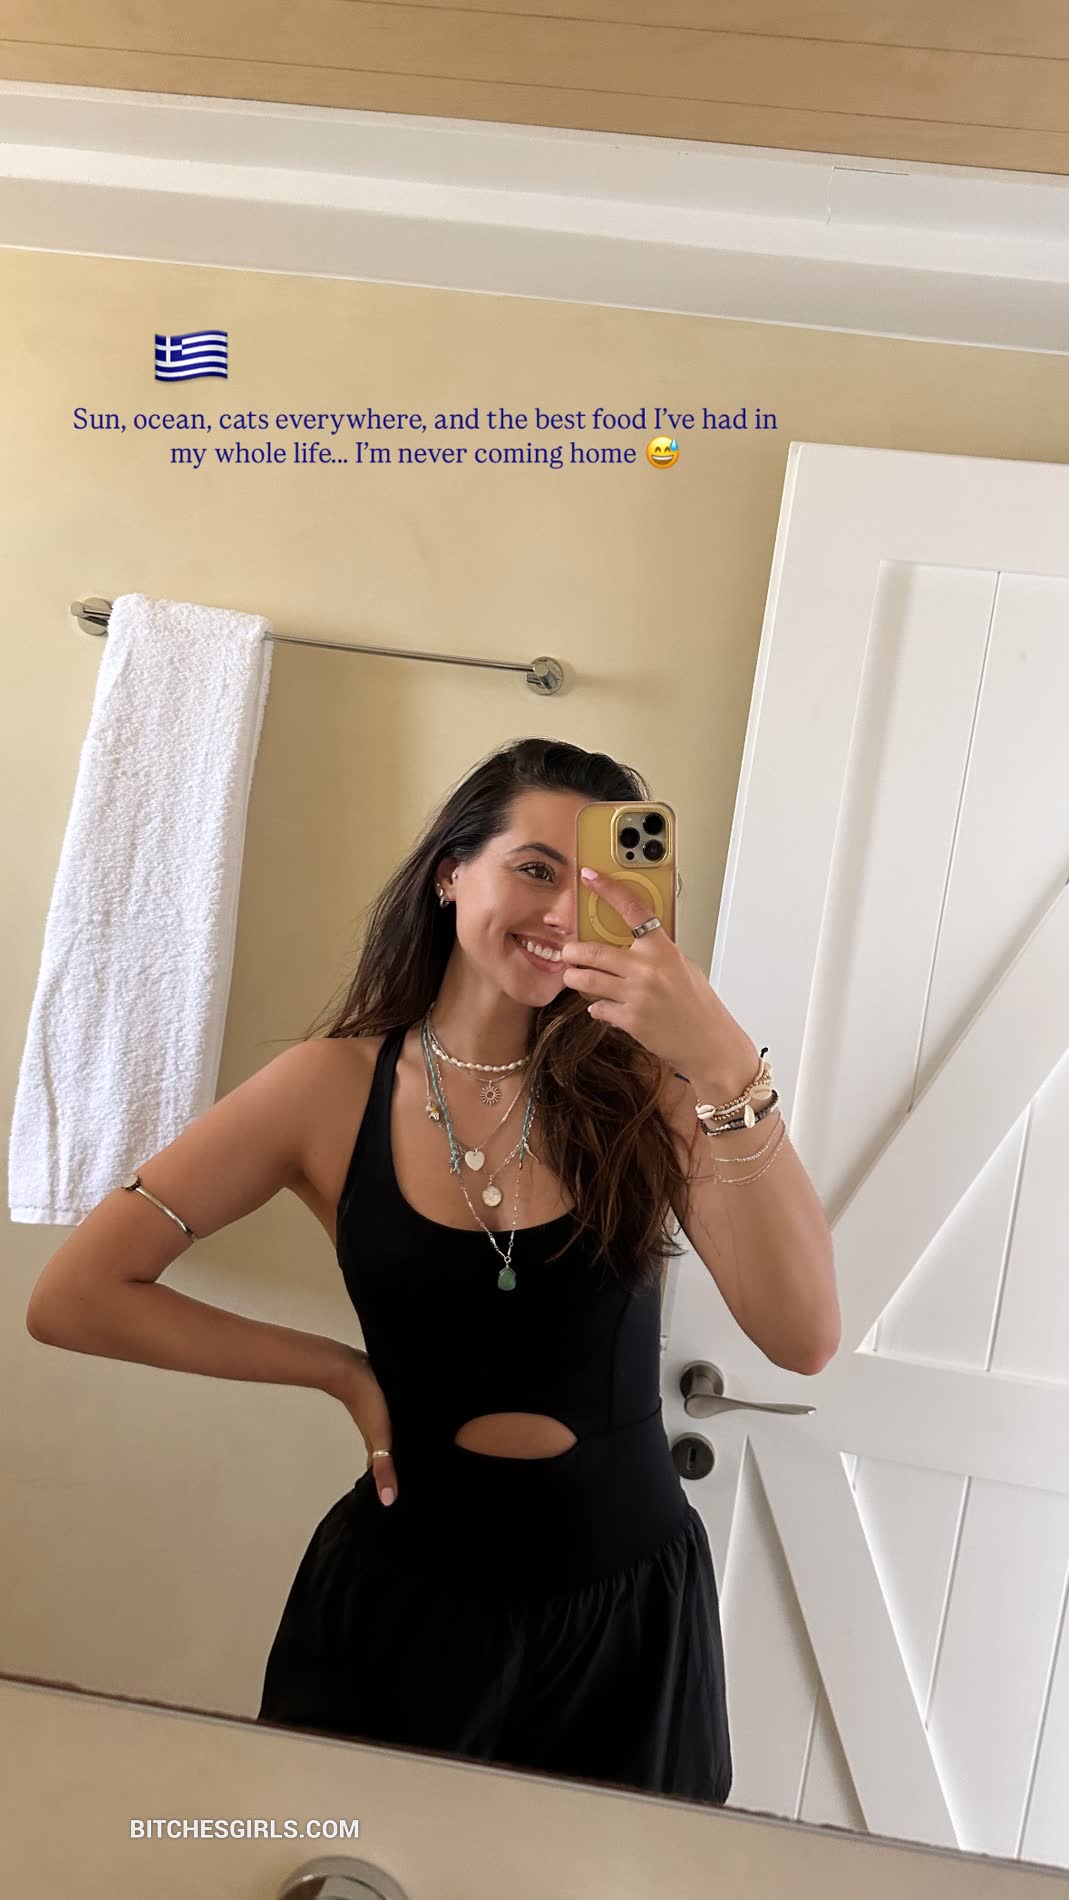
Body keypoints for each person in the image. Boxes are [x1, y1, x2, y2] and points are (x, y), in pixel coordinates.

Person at [26, 737, 839, 1807]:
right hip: (400, 1605)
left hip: (627, 1621)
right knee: (350, 1865)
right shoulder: (326, 1088)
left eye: (600, 885)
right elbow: (76, 1295)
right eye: (535, 868)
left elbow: (801, 1337)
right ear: (452, 873)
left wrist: (722, 1059)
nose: (563, 913)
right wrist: (336, 1370)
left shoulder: (658, 1090)